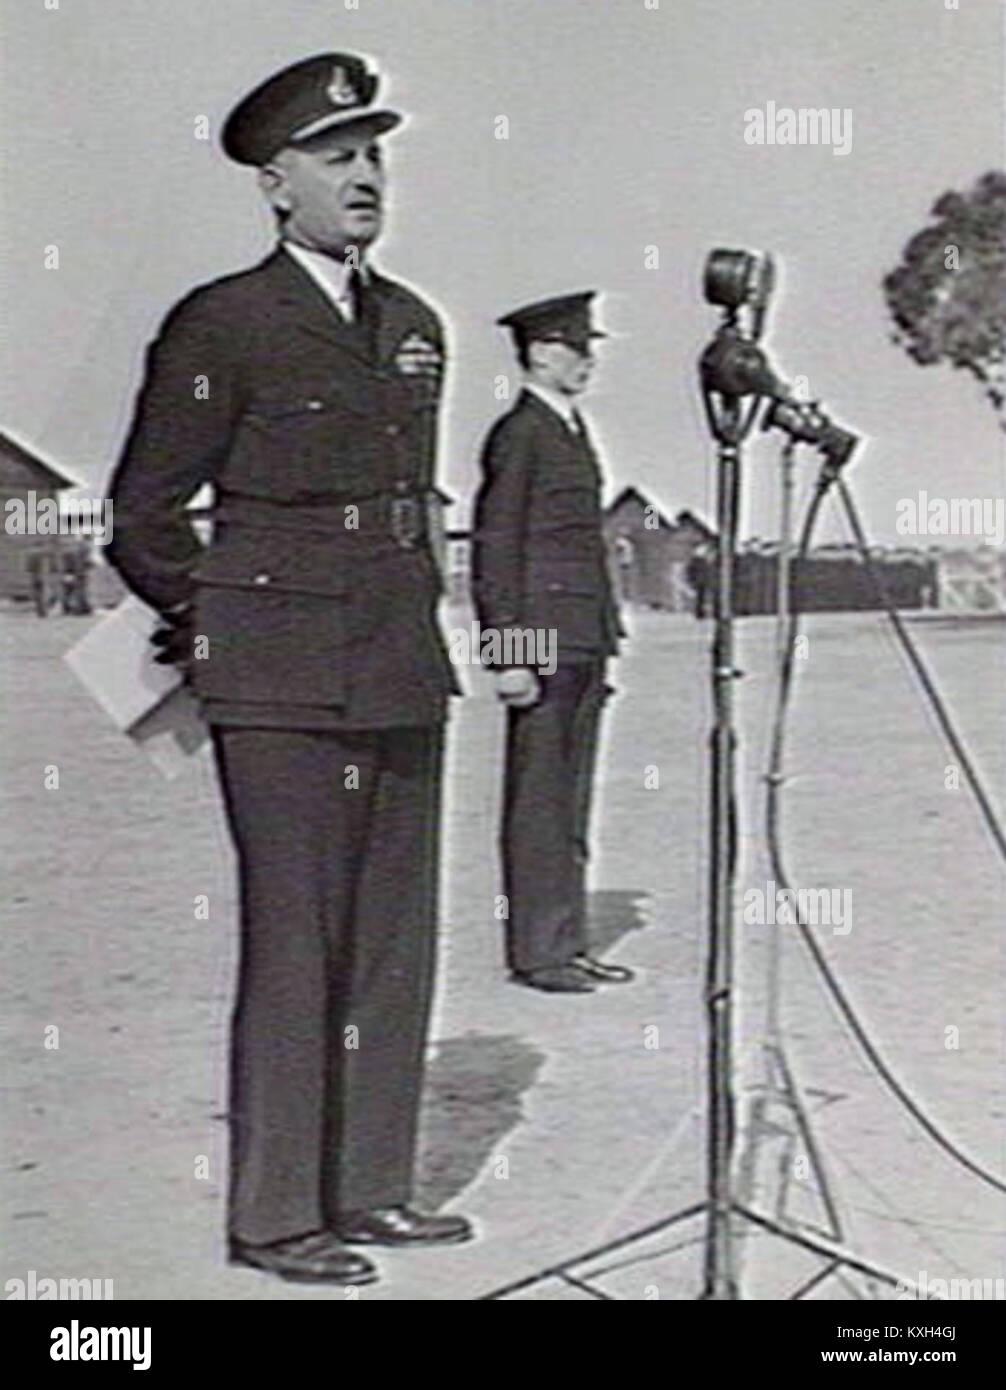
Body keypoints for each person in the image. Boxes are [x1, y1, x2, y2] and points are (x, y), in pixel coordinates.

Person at [106, 51, 472, 1286]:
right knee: (296, 940)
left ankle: (370, 1187)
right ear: (275, 184)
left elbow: (413, 506)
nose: (366, 175)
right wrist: (218, 627)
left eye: (375, 152)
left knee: (391, 943)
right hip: (278, 684)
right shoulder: (222, 323)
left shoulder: (416, 326)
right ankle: (273, 1218)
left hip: (400, 666)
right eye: (336, 155)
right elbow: (143, 514)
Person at [471, 293, 636, 994]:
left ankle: (566, 942)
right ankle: (538, 952)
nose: (588, 360)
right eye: (576, 348)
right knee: (540, 798)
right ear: (541, 354)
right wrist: (508, 652)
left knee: (569, 797)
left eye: (589, 348)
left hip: (582, 635)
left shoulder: (569, 431)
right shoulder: (521, 433)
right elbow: (497, 545)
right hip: (542, 638)